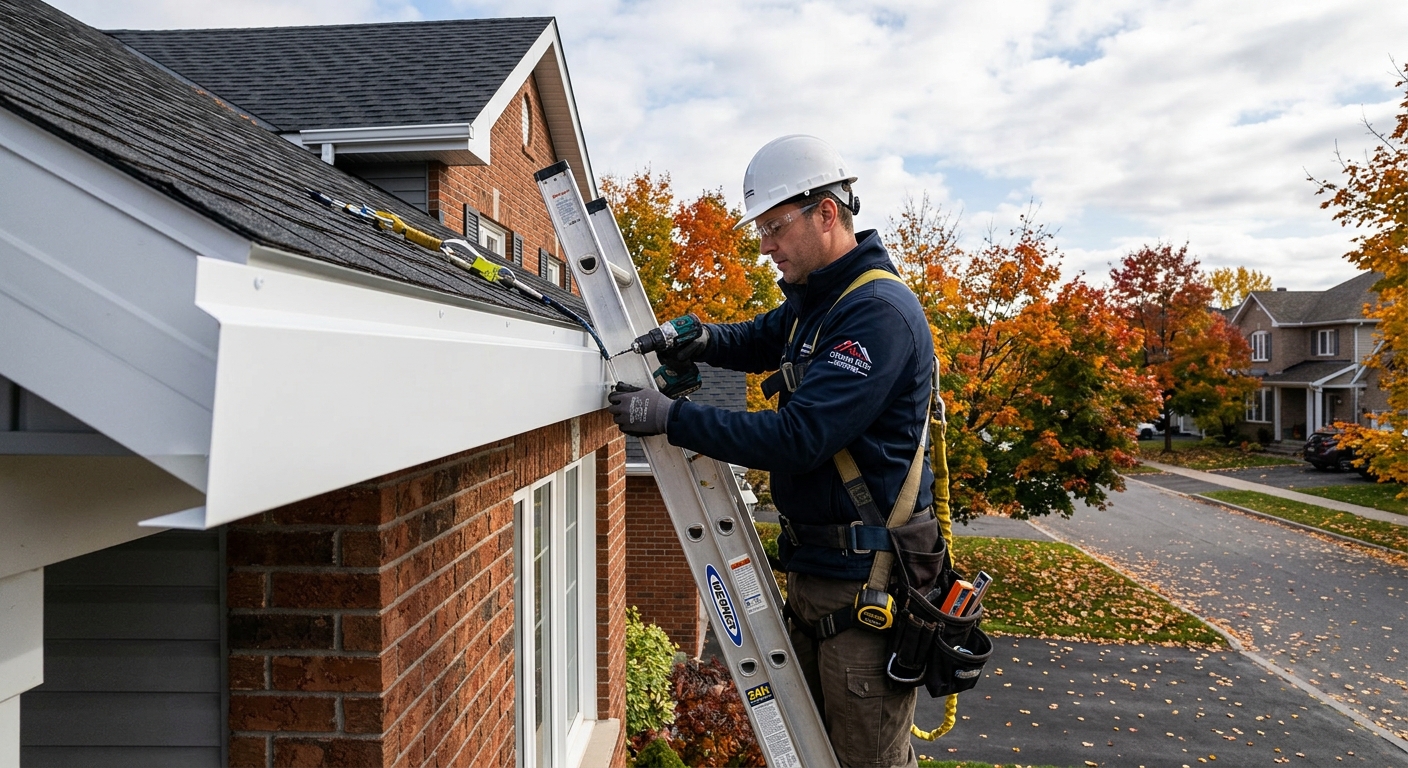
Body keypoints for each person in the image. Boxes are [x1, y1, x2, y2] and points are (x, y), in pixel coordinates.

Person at [607, 135, 938, 768]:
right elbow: (757, 337)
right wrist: (701, 338)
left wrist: (670, 417)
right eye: (760, 228)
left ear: (826, 213)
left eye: (774, 226)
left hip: (864, 589)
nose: (764, 244)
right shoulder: (816, 303)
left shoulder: (876, 314)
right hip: (819, 577)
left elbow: (799, 439)